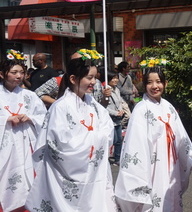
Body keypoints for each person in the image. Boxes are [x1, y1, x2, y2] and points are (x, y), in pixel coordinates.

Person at [26, 50, 118, 212]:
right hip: (68, 170)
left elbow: (107, 127)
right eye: (89, 78)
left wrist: (98, 137)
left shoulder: (93, 104)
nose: (94, 82)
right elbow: (59, 143)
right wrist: (94, 138)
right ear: (73, 79)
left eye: (95, 77)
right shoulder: (60, 107)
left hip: (93, 169)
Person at [115, 59, 192, 212]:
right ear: (144, 85)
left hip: (171, 164)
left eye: (158, 82)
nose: (155, 86)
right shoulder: (141, 109)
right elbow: (135, 145)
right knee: (155, 199)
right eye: (150, 82)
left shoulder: (168, 107)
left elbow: (181, 138)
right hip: (151, 166)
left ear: (164, 84)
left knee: (171, 197)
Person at [0, 49, 47, 212]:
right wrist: (5, 119)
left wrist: (31, 118)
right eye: (14, 72)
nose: (19, 76)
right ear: (2, 74)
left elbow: (43, 117)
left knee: (28, 175)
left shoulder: (30, 95)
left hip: (26, 142)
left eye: (21, 72)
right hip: (6, 144)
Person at [104, 71, 125, 166]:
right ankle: (106, 158)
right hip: (110, 119)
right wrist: (116, 113)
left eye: (116, 78)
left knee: (119, 140)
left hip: (118, 119)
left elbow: (119, 102)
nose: (115, 80)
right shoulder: (106, 91)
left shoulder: (117, 89)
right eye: (113, 78)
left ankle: (117, 158)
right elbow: (104, 107)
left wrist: (121, 111)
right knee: (113, 140)